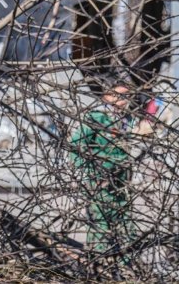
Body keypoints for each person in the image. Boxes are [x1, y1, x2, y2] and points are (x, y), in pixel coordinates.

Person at [70, 80, 134, 258]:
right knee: (101, 230)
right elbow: (76, 145)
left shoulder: (128, 120)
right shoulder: (97, 117)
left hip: (122, 185)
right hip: (101, 185)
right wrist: (89, 173)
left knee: (126, 230)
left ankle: (126, 270)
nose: (122, 100)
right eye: (117, 95)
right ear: (106, 97)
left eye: (126, 96)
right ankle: (100, 268)